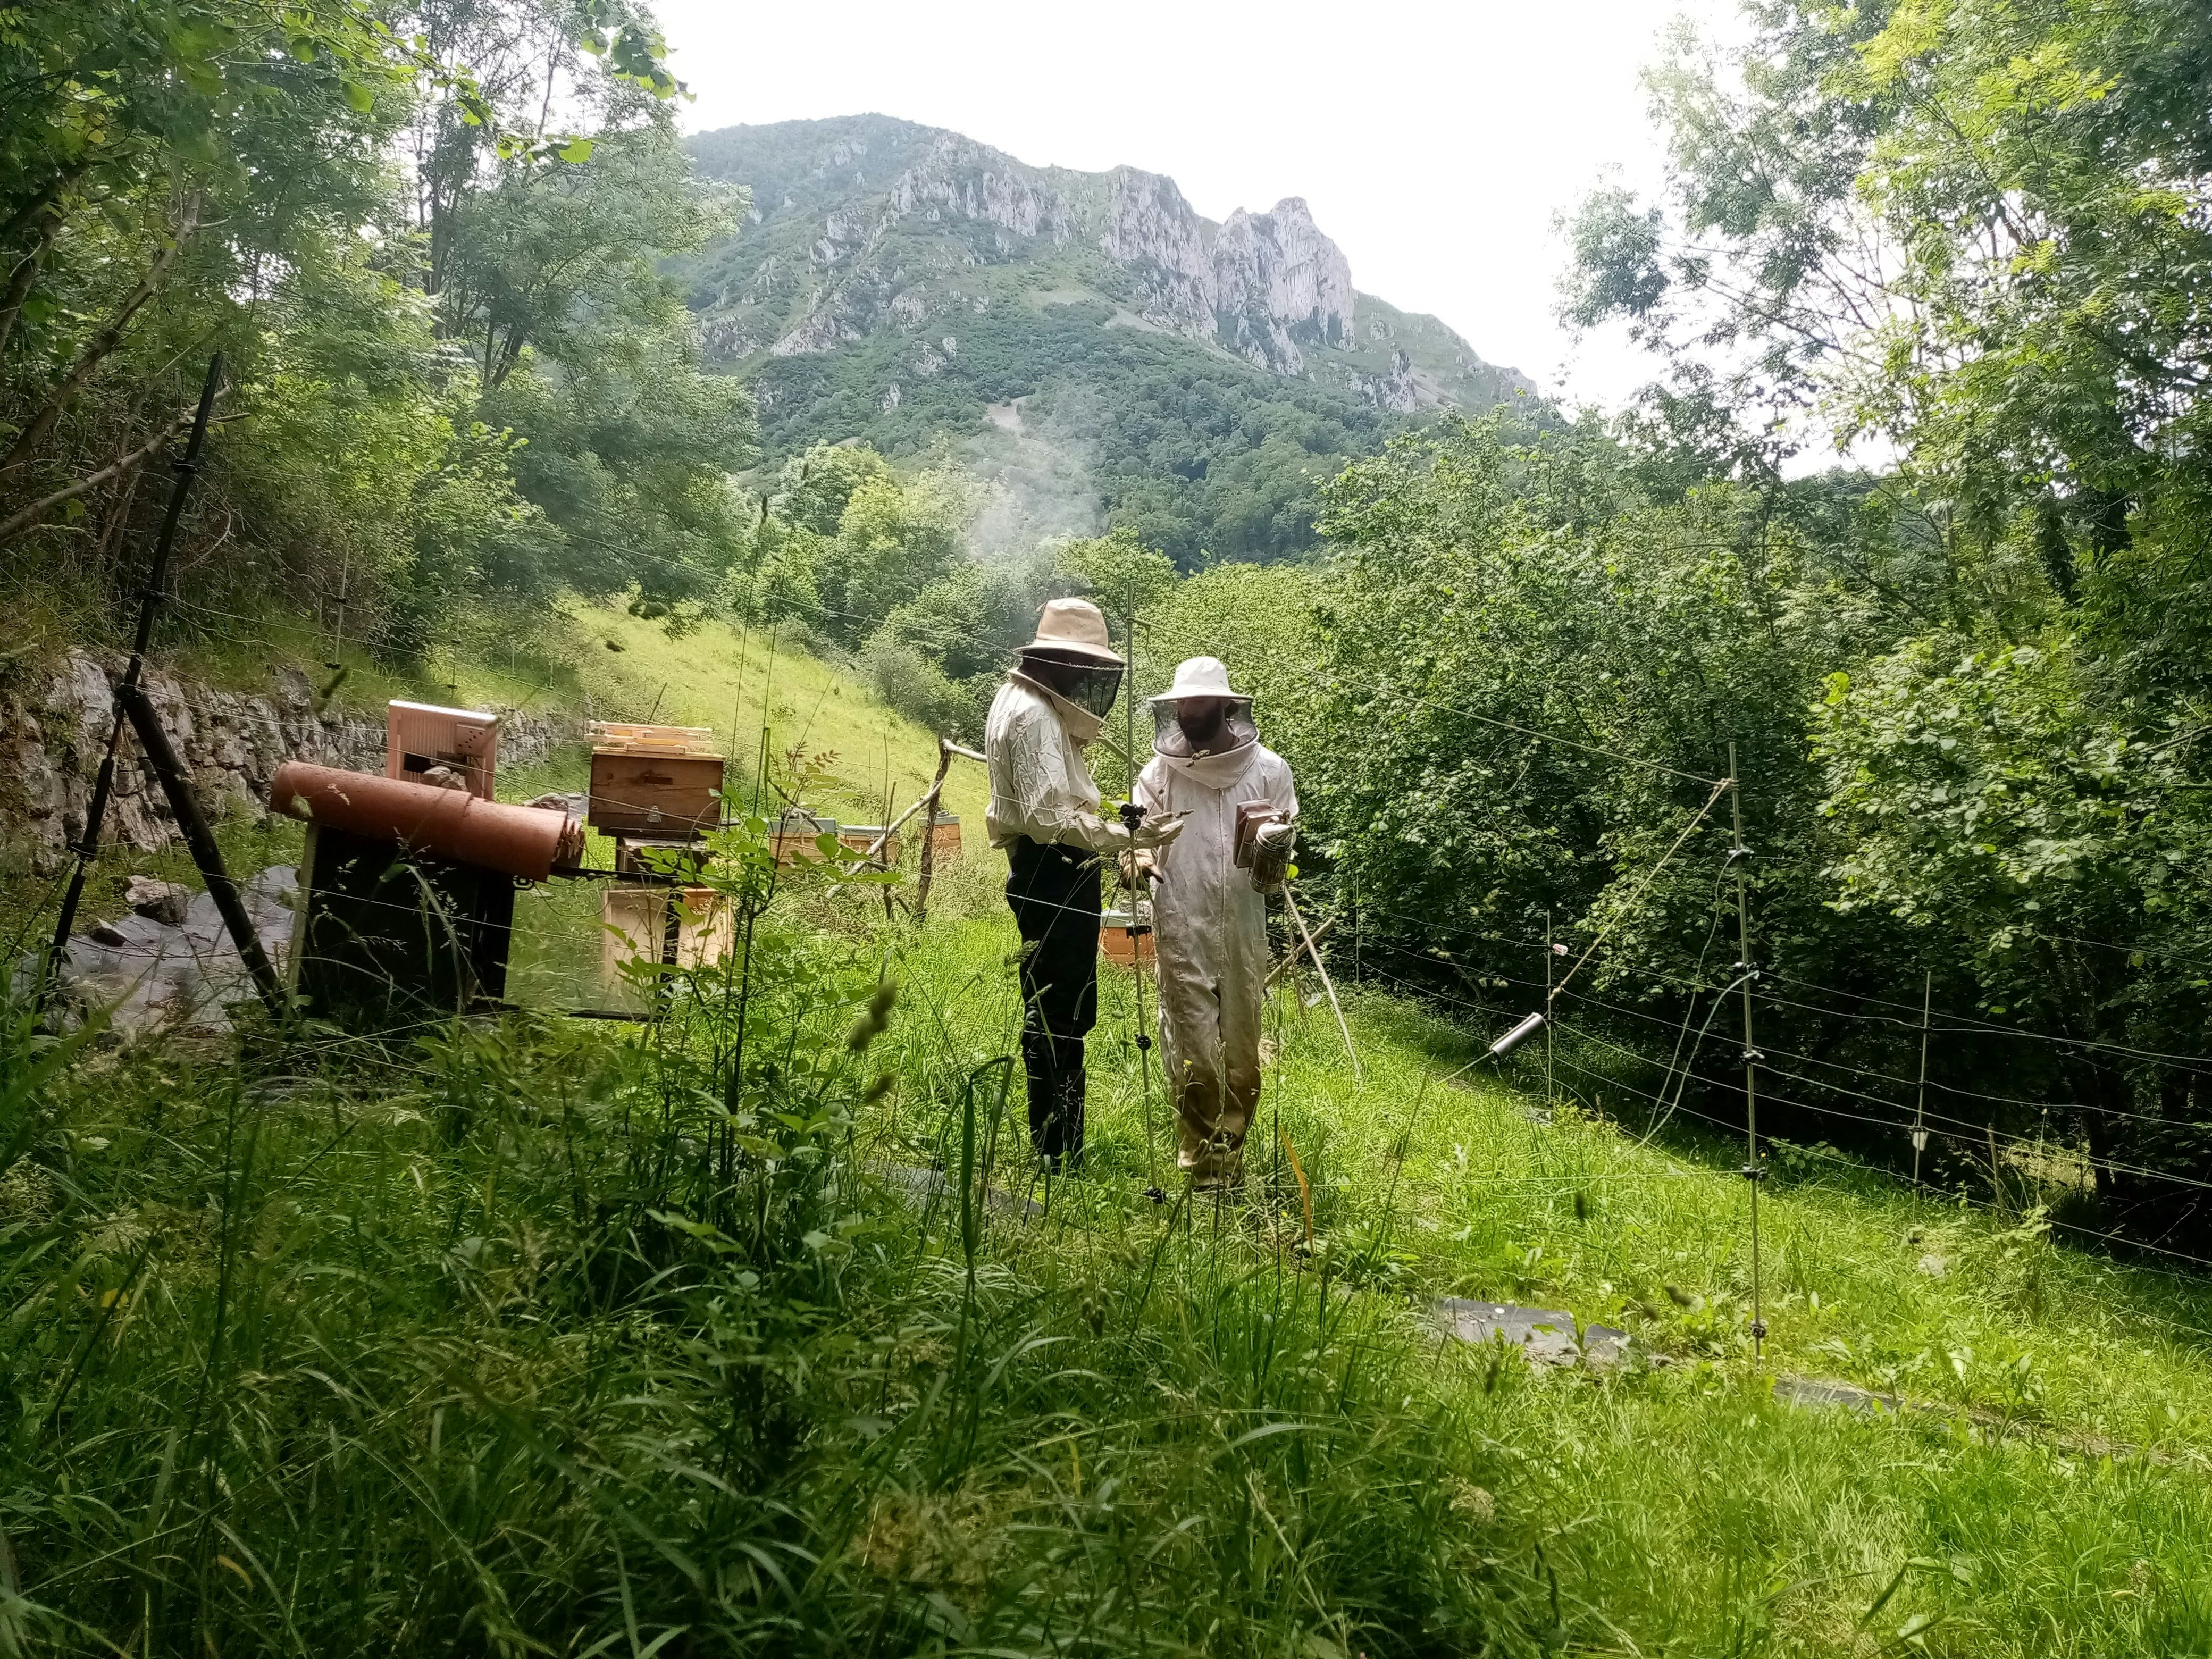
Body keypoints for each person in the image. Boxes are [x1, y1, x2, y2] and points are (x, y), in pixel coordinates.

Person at [986, 598, 1182, 1171]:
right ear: (1063, 661)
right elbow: (1052, 821)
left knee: (1052, 1002)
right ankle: (1058, 1151)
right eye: (1084, 667)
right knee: (1062, 1010)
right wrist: (1132, 837)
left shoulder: (1014, 700)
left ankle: (1055, 1143)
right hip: (1055, 868)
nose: (1086, 679)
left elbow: (1051, 803)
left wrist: (1119, 826)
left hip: (1040, 866)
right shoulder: (1035, 717)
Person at [1130, 657, 1296, 1188]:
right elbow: (1136, 836)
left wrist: (1274, 845)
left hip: (1244, 927)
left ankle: (1231, 1154)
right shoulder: (1157, 775)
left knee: (1243, 1053)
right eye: (1181, 702)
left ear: (1226, 706)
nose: (1187, 710)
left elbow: (1284, 842)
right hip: (1180, 922)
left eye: (1197, 700)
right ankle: (1203, 1167)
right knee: (1193, 1050)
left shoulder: (1269, 770)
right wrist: (1135, 857)